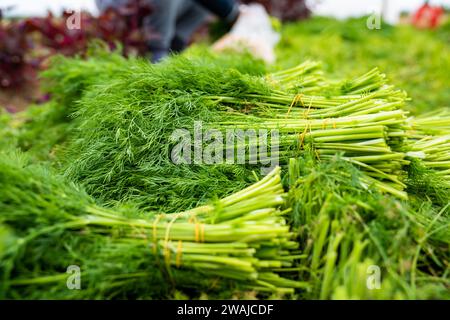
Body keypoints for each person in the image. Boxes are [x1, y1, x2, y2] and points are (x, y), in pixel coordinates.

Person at [96, 0, 240, 62]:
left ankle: (175, 47)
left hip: (155, 10)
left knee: (201, 6)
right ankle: (157, 52)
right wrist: (232, 13)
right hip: (123, 9)